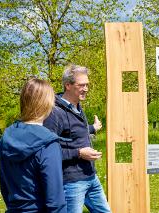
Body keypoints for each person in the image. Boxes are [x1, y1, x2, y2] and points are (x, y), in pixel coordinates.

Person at [44, 64, 111, 213]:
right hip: (72, 182)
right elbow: (48, 150)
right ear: (68, 85)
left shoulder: (77, 106)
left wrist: (92, 128)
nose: (86, 89)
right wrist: (79, 153)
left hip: (91, 177)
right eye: (81, 85)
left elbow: (73, 133)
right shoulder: (54, 113)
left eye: (87, 85)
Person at [0, 79, 66, 212]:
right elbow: (55, 200)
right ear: (47, 104)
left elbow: (5, 187)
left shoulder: (5, 139)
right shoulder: (48, 143)